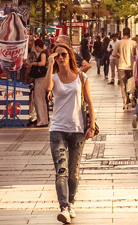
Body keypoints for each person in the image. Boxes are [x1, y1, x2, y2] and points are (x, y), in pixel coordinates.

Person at [47, 43, 96, 223]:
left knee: (73, 173)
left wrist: (91, 125)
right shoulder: (53, 77)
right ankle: (64, 208)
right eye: (57, 55)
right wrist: (49, 65)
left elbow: (89, 101)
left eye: (64, 55)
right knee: (61, 171)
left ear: (70, 57)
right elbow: (46, 88)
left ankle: (71, 202)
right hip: (57, 129)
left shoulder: (81, 77)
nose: (61, 58)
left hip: (77, 130)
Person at [28, 38, 49, 128]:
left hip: (40, 79)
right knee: (42, 100)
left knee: (38, 100)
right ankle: (44, 119)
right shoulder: (45, 52)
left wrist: (34, 63)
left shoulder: (43, 53)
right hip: (42, 78)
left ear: (37, 46)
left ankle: (41, 120)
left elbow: (43, 63)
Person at [113, 28, 137, 105]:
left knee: (123, 85)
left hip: (121, 66)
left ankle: (125, 102)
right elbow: (137, 55)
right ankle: (131, 95)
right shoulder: (133, 43)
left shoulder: (118, 43)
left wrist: (119, 57)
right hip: (131, 66)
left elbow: (114, 54)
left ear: (122, 34)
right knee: (131, 83)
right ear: (129, 34)